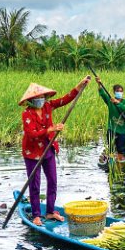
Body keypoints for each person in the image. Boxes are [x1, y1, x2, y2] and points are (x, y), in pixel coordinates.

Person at [20, 76, 89, 226]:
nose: (41, 99)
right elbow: (31, 134)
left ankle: (50, 212)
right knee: (35, 184)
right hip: (32, 153)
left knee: (52, 181)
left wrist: (79, 86)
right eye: (37, 97)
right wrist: (50, 129)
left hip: (48, 148)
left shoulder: (48, 106)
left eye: (42, 96)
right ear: (31, 100)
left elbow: (65, 100)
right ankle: (36, 215)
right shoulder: (27, 114)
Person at [96, 76, 125, 160]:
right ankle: (111, 161)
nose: (119, 93)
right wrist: (99, 84)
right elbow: (102, 93)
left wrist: (117, 102)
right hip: (112, 128)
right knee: (110, 147)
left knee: (121, 149)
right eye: (117, 91)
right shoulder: (110, 101)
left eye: (121, 91)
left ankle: (121, 159)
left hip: (122, 129)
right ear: (114, 92)